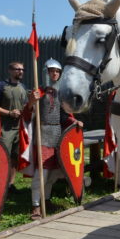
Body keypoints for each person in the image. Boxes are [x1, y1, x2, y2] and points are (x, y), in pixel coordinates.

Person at [20, 58, 82, 220]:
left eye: (57, 71)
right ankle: (35, 206)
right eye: (51, 71)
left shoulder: (61, 93)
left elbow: (65, 115)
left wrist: (74, 121)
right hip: (43, 135)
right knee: (42, 173)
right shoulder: (38, 93)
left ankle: (46, 201)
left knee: (53, 174)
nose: (54, 74)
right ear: (45, 73)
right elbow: (26, 115)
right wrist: (32, 102)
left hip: (57, 136)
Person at [0, 61, 28, 193]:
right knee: (2, 156)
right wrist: (9, 113)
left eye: (22, 69)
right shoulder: (1, 86)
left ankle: (10, 184)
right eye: (17, 69)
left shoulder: (23, 87)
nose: (20, 71)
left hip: (19, 127)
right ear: (10, 70)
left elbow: (25, 105)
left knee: (14, 157)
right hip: (5, 127)